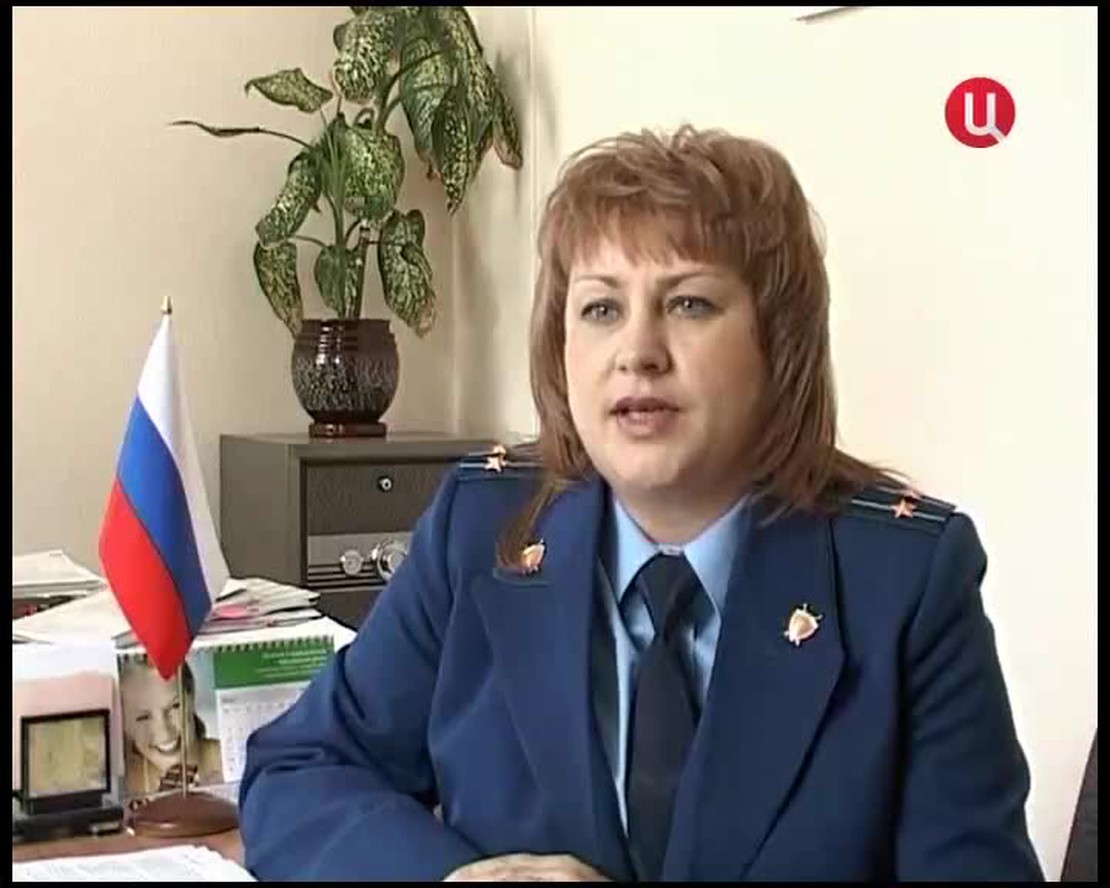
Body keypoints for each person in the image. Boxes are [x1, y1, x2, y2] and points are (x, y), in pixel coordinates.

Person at [238, 126, 1044, 881]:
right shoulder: (483, 527)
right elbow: (302, 768)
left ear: (779, 342)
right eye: (601, 309)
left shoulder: (904, 578)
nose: (637, 353)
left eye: (689, 303)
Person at [118, 657, 223, 799]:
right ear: (124, 723)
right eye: (143, 717)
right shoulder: (122, 784)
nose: (165, 734)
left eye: (175, 706)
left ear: (191, 698)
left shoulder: (230, 760)